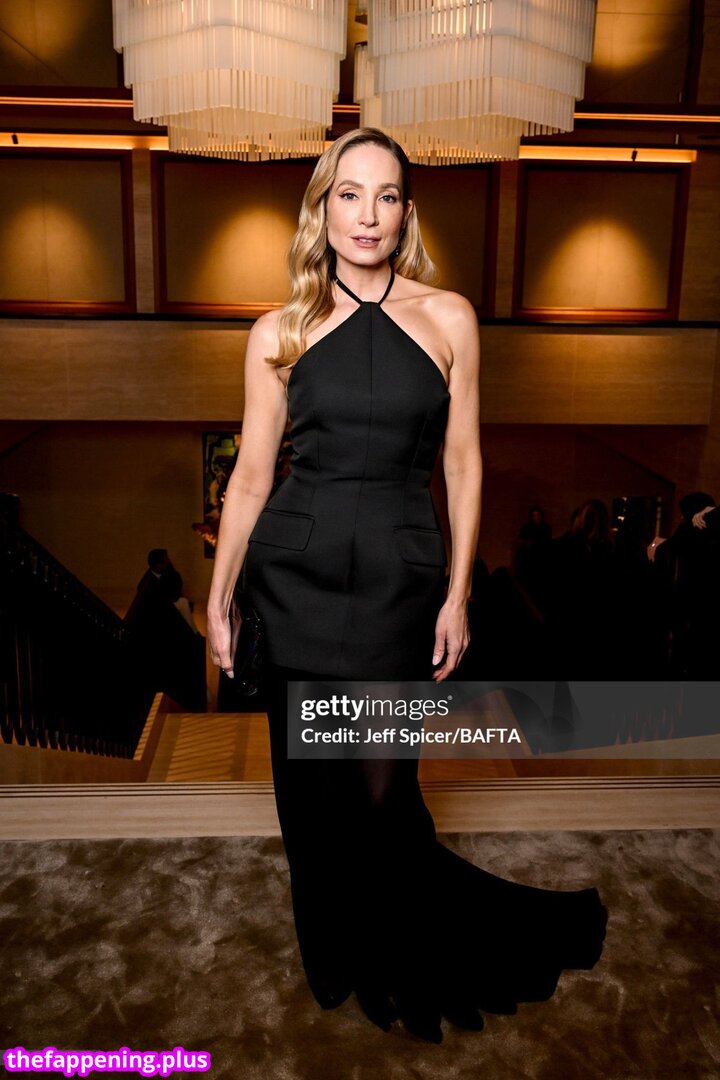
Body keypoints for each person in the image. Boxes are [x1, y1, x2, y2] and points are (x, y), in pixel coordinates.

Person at [206, 127, 607, 1043]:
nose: (368, 215)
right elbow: (253, 477)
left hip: (399, 582)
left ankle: (402, 947)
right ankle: (334, 954)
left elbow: (463, 465)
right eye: (349, 195)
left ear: (406, 213)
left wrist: (459, 593)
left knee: (385, 795)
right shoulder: (279, 330)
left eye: (386, 196)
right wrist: (221, 598)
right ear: (322, 208)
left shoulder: (449, 318)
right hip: (295, 582)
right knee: (313, 795)